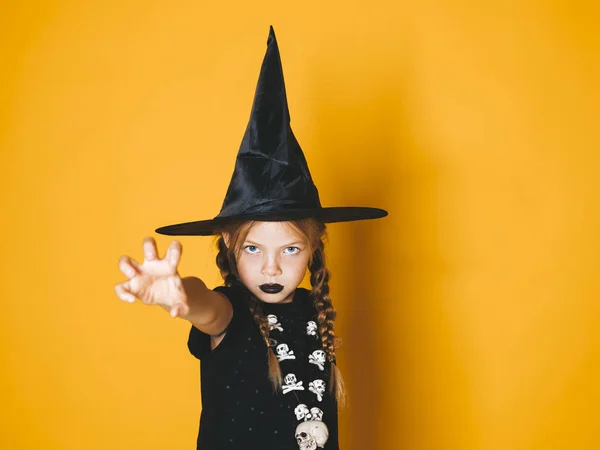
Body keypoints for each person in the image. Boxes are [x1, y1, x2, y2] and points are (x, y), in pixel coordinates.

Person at [114, 26, 387, 450]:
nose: (272, 267)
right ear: (227, 243)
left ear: (314, 247)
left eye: (291, 249)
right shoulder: (229, 312)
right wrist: (179, 296)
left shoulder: (315, 311)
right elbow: (207, 307)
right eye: (254, 248)